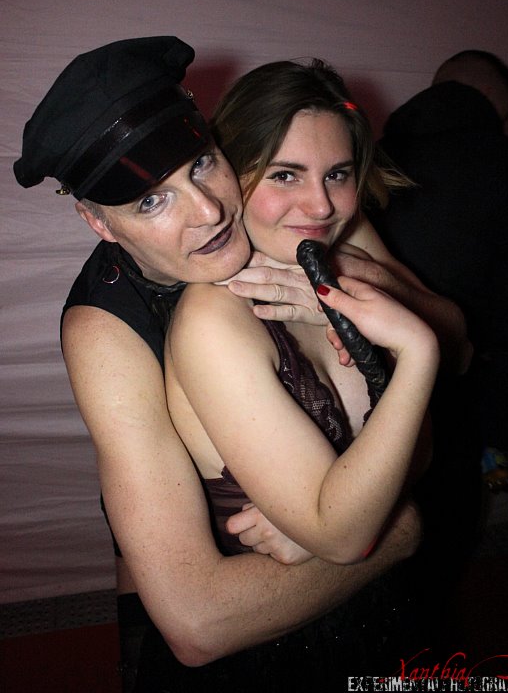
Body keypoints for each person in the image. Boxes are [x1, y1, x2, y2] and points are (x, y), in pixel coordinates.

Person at [13, 37, 463, 691]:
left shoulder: (294, 211)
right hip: (225, 590)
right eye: (150, 201)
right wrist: (397, 529)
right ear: (99, 224)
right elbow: (196, 621)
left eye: (201, 164)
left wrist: (351, 280)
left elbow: (453, 340)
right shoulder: (105, 331)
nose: (209, 211)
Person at [160, 58, 440, 688]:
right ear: (230, 174)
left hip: (389, 614)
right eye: (285, 174)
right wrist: (418, 353)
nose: (320, 204)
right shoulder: (216, 319)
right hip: (288, 653)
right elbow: (344, 538)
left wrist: (331, 525)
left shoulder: (328, 279)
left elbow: (418, 452)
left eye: (337, 174)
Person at [370, 49, 508, 639]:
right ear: (492, 101)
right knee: (435, 562)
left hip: (358, 403)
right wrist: (501, 436)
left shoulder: (368, 158)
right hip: (459, 406)